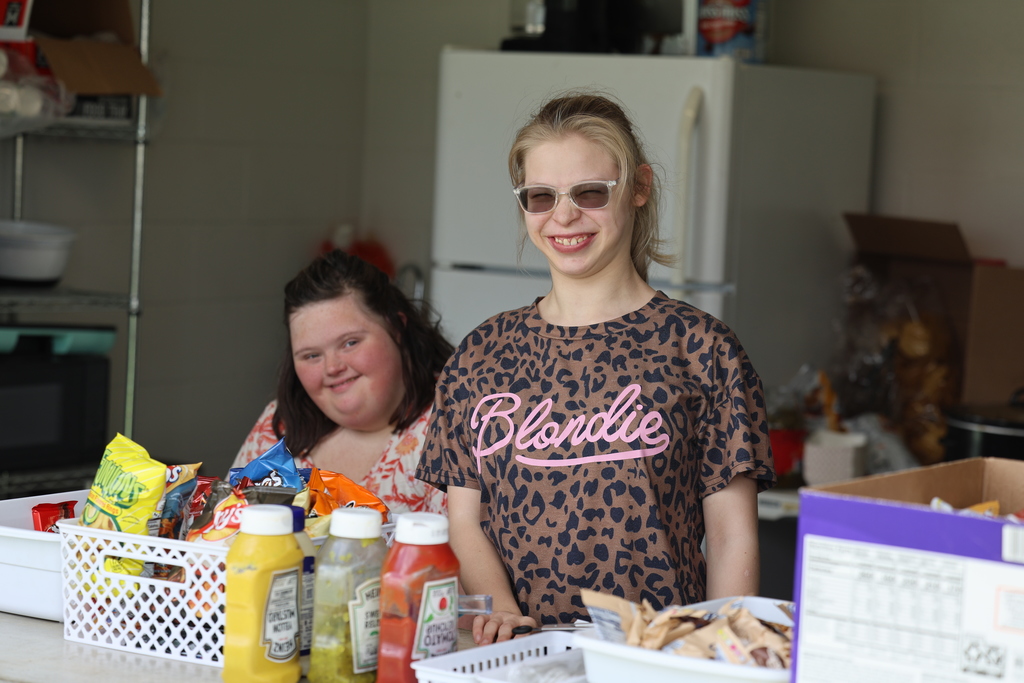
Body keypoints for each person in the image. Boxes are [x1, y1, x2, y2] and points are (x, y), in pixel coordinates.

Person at [416, 91, 776, 643]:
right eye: (541, 196)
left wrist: (719, 653)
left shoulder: (703, 349)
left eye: (589, 192)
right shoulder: (481, 354)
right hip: (517, 659)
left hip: (656, 659)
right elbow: (465, 521)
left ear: (638, 187)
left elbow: (731, 538)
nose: (563, 216)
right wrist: (505, 614)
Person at [232, 249, 452, 515]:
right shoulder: (279, 424)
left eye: (350, 343)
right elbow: (226, 524)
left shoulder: (451, 424)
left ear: (396, 328)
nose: (332, 367)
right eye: (311, 355)